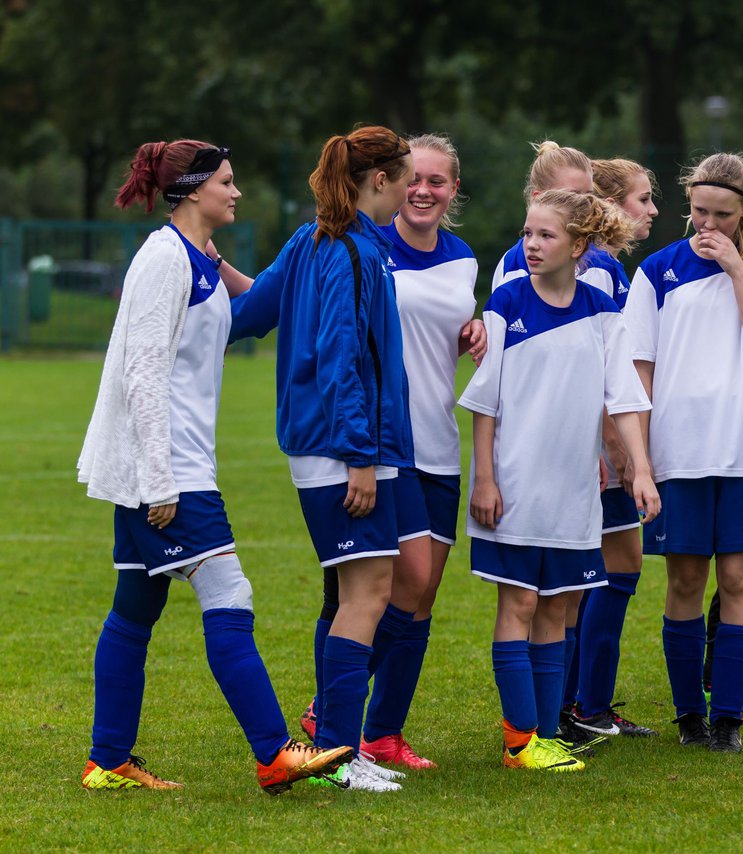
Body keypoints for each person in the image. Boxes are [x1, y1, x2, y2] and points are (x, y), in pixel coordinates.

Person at [77, 139, 351, 794]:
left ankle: (107, 759)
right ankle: (274, 753)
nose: (236, 192)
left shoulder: (196, 258)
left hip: (179, 462)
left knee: (134, 608)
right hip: (171, 470)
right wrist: (159, 478)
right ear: (195, 190)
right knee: (231, 594)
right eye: (226, 182)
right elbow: (141, 374)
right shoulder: (162, 261)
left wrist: (230, 261)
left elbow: (248, 306)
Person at [230, 125, 416, 793]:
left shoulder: (313, 241)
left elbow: (250, 311)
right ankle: (339, 756)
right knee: (368, 594)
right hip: (345, 450)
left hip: (349, 445)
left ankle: (334, 751)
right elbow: (342, 358)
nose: (410, 193)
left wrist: (214, 266)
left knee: (349, 592)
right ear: (378, 181)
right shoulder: (348, 250)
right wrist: (360, 456)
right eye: (405, 180)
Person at [294, 134, 486, 771]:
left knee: (421, 594)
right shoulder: (363, 244)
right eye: (416, 178)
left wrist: (477, 328)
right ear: (392, 182)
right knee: (387, 586)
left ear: (455, 189)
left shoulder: (463, 260)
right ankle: (333, 719)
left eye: (439, 181)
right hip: (383, 446)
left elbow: (439, 337)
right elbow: (316, 310)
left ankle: (382, 734)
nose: (424, 190)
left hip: (438, 438)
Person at [461, 189, 660, 772]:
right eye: (528, 234)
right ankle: (519, 742)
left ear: (578, 245)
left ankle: (545, 736)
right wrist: (485, 480)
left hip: (577, 494)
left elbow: (624, 398)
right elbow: (485, 405)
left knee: (558, 609)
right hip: (516, 489)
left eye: (545, 236)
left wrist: (641, 471)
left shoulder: (602, 312)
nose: (531, 245)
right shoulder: (505, 303)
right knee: (519, 604)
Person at [625, 152, 743, 754]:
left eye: (722, 216)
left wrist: (736, 271)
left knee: (739, 578)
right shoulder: (656, 272)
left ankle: (729, 717)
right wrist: (639, 456)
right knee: (684, 582)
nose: (707, 226)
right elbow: (638, 371)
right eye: (699, 212)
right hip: (681, 455)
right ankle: (688, 715)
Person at [488, 141, 638, 744]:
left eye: (589, 196)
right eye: (572, 196)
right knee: (539, 599)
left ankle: (564, 714)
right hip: (540, 464)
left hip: (584, 463)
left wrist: (625, 451)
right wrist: (616, 450)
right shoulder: (518, 278)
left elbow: (614, 378)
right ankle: (548, 723)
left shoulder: (598, 278)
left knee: (572, 592)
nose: (587, 204)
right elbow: (498, 392)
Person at [557, 157, 661, 741]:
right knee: (602, 572)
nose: (651, 210)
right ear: (610, 205)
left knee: (613, 568)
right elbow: (595, 367)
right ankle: (581, 705)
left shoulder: (609, 268)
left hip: (604, 445)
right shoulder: (595, 268)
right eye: (642, 199)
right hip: (597, 450)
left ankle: (586, 703)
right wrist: (617, 449)